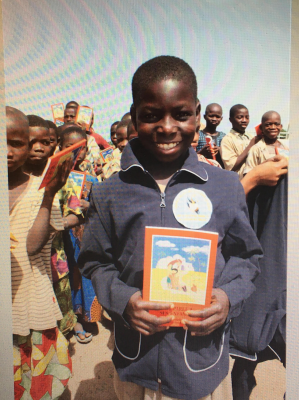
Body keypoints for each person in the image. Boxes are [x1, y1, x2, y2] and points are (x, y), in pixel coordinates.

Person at [78, 55, 262, 400]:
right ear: (134, 116)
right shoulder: (110, 192)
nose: (166, 126)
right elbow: (95, 262)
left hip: (201, 365)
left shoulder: (224, 186)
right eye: (150, 115)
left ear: (196, 111)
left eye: (180, 114)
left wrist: (226, 298)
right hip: (136, 363)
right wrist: (124, 299)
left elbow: (247, 258)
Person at [7, 106, 72, 400]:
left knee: (34, 385)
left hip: (29, 304)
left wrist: (48, 196)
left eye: (16, 143)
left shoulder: (40, 191)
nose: (7, 151)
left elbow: (32, 247)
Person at [58, 126, 102, 342]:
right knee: (65, 277)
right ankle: (70, 320)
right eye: (69, 147)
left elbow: (99, 206)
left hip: (83, 236)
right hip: (59, 238)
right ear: (59, 147)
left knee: (83, 274)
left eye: (81, 148)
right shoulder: (53, 176)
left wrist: (89, 205)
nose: (77, 152)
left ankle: (85, 316)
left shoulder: (90, 177)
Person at [220, 104, 261, 179]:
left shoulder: (251, 137)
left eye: (247, 117)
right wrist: (250, 146)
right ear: (231, 120)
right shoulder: (227, 139)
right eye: (240, 117)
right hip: (239, 182)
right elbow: (231, 167)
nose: (244, 120)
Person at [243, 111, 289, 175]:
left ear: (281, 127)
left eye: (276, 124)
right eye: (268, 124)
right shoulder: (256, 149)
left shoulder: (286, 147)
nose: (273, 127)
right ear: (261, 127)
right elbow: (247, 174)